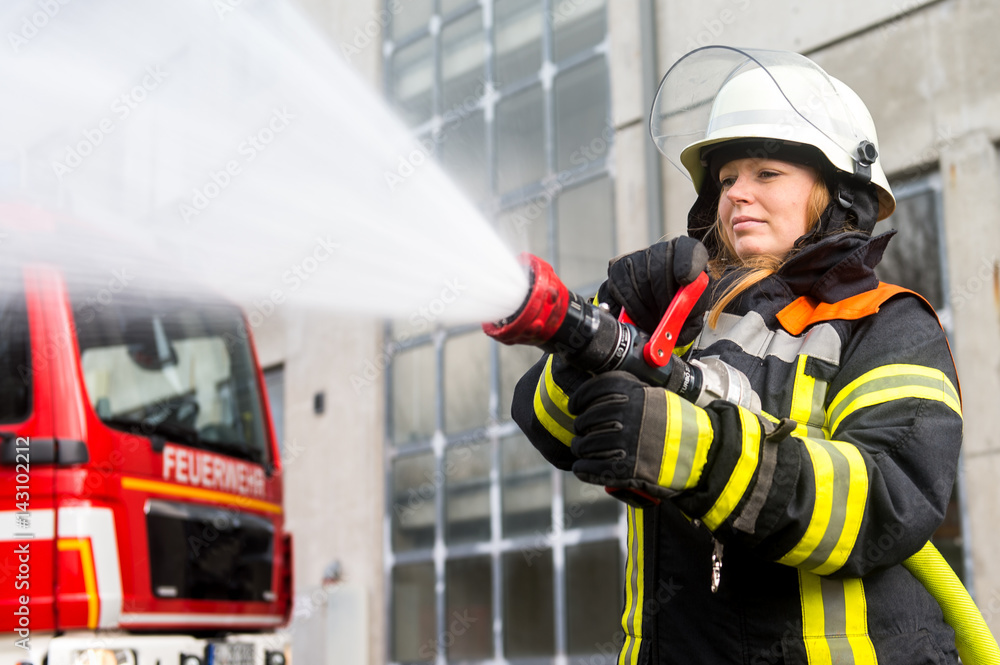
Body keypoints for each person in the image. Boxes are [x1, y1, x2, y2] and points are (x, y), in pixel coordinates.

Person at [511, 47, 965, 663]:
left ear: (838, 194)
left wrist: (700, 456)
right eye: (725, 181)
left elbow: (887, 499)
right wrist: (602, 326)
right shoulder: (689, 322)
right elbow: (552, 428)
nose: (736, 195)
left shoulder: (887, 323)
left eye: (766, 174)